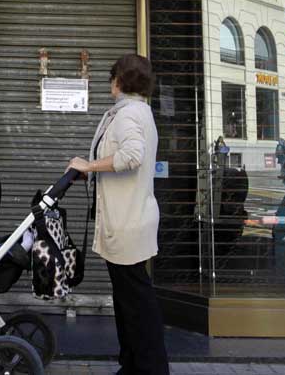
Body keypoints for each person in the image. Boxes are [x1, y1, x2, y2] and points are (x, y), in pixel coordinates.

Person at [68, 53, 169, 375]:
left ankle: (150, 369)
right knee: (131, 304)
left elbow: (131, 156)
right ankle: (133, 366)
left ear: (119, 80)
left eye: (112, 76)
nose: (109, 82)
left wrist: (90, 166)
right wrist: (93, 170)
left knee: (136, 305)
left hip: (127, 223)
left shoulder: (128, 115)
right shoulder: (137, 111)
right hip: (130, 219)